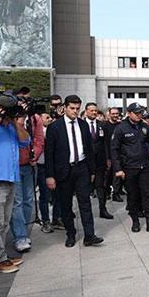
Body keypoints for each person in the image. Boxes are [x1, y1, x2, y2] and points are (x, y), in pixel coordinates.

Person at [44, 95, 104, 248]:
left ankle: (89, 235)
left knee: (85, 202)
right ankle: (70, 234)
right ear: (64, 107)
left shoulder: (83, 125)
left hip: (82, 168)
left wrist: (91, 171)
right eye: (72, 108)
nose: (75, 111)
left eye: (77, 108)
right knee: (66, 205)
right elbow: (49, 153)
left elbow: (89, 150)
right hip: (63, 171)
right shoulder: (54, 127)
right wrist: (50, 175)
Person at [110, 103, 149, 234]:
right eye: (136, 113)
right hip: (129, 168)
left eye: (141, 113)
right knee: (133, 195)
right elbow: (114, 150)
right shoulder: (121, 128)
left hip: (145, 166)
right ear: (129, 113)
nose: (139, 115)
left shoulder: (145, 126)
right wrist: (118, 169)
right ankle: (135, 221)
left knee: (147, 193)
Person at [0, 96, 29, 273]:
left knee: (5, 222)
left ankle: (2, 255)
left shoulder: (11, 127)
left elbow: (25, 141)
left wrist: (15, 122)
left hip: (11, 178)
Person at [10, 97, 43, 252]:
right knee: (16, 202)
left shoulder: (35, 119)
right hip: (12, 167)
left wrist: (34, 155)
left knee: (29, 200)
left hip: (29, 166)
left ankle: (21, 229)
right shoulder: (8, 119)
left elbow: (38, 140)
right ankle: (20, 236)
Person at [85, 102, 113, 220]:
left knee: (100, 186)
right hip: (85, 162)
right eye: (91, 110)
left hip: (100, 161)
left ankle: (103, 209)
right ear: (86, 111)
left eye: (95, 110)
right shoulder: (81, 125)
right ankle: (85, 212)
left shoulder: (102, 125)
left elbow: (106, 143)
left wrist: (108, 158)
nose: (94, 112)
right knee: (84, 188)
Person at [35, 111, 55, 233]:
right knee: (44, 195)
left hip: (55, 166)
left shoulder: (54, 130)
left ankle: (57, 218)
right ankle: (46, 220)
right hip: (42, 166)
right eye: (47, 117)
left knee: (57, 195)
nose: (50, 119)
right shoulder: (39, 132)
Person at [105, 107, 124, 202]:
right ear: (109, 114)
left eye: (117, 113)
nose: (115, 115)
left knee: (117, 174)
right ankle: (107, 192)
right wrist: (107, 157)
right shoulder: (104, 125)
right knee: (107, 175)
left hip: (118, 154)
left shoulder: (121, 125)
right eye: (113, 113)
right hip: (108, 154)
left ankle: (116, 193)